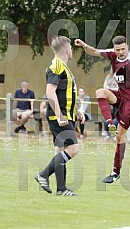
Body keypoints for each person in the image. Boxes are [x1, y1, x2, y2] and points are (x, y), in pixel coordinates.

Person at [75, 35, 130, 184]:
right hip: (121, 96)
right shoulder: (113, 54)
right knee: (100, 92)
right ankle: (109, 122)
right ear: (114, 49)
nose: (120, 52)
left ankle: (115, 172)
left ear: (127, 47)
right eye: (118, 49)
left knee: (119, 136)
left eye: (123, 49)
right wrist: (84, 45)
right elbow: (94, 51)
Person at [34, 36, 84, 196]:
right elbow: (50, 90)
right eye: (70, 48)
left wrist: (76, 111)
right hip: (59, 117)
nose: (71, 51)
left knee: (60, 151)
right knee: (73, 149)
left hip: (66, 114)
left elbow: (65, 93)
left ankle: (61, 188)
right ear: (66, 49)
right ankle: (43, 174)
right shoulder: (56, 65)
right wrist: (59, 115)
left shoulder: (62, 66)